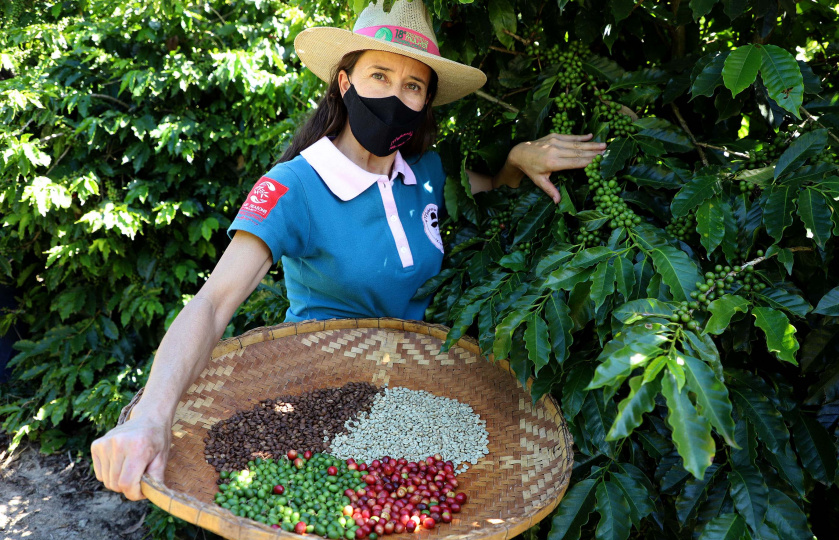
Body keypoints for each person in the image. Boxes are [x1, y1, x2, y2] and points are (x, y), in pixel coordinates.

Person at [91, 0, 605, 501]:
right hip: (319, 404)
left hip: (411, 405)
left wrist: (518, 158)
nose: (394, 96)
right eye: (378, 76)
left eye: (413, 86)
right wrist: (151, 419)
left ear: (425, 101)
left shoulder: (426, 174)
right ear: (345, 82)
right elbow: (213, 302)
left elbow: (493, 187)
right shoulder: (295, 188)